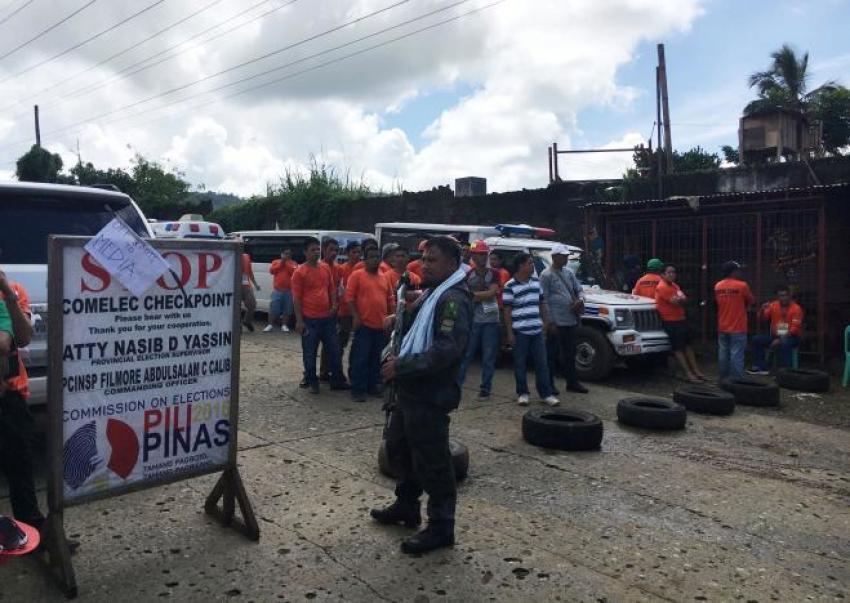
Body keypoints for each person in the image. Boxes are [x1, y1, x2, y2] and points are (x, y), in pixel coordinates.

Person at [371, 236, 472, 555]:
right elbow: (420, 330)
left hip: (431, 392)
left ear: (452, 265)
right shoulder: (432, 293)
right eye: (424, 259)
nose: (423, 264)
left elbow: (446, 349)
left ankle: (442, 527)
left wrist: (402, 365)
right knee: (400, 448)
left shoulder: (453, 299)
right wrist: (404, 313)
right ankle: (406, 505)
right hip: (410, 391)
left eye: (432, 260)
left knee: (434, 462)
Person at [0, 271, 45, 537]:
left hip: (12, 396)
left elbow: (23, 337)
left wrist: (7, 292)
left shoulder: (14, 290)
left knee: (21, 468)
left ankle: (31, 531)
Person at [291, 237, 349, 394]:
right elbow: (296, 298)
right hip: (310, 320)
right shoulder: (299, 272)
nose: (316, 252)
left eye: (317, 249)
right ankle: (312, 381)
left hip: (327, 319)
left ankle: (336, 380)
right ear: (305, 252)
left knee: (335, 351)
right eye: (313, 250)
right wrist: (299, 321)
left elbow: (331, 289)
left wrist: (335, 305)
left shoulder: (325, 268)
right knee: (310, 353)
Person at [503, 253, 559, 407]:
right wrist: (509, 332)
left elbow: (541, 304)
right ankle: (523, 393)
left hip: (536, 330)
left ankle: (546, 394)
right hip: (520, 331)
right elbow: (507, 310)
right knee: (520, 363)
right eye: (529, 263)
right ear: (521, 266)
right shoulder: (510, 286)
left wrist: (546, 322)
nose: (532, 265)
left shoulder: (536, 283)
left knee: (542, 364)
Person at [346, 244, 394, 403]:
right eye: (372, 257)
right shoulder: (357, 275)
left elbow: (389, 299)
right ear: (365, 259)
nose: (375, 260)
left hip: (380, 326)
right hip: (364, 325)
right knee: (360, 359)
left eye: (377, 257)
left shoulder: (384, 276)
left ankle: (372, 386)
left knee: (376, 359)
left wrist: (391, 318)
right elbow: (350, 298)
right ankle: (357, 389)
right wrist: (356, 316)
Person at [541, 244, 589, 395]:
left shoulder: (568, 273)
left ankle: (572, 382)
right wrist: (550, 321)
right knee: (551, 354)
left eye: (567, 256)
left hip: (571, 319)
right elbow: (544, 300)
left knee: (570, 352)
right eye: (563, 256)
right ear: (555, 257)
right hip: (556, 321)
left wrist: (581, 300)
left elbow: (579, 290)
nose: (566, 258)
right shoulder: (546, 275)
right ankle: (549, 384)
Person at [457, 240, 502, 399]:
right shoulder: (468, 274)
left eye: (484, 254)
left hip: (491, 320)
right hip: (473, 320)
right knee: (467, 355)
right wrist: (481, 295)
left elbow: (491, 293)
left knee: (488, 356)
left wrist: (474, 296)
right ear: (473, 255)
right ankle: (457, 386)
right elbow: (467, 295)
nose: (481, 257)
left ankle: (486, 389)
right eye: (478, 254)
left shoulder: (494, 273)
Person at [655, 264, 706, 382]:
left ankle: (696, 371)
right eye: (669, 272)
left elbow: (683, 299)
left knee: (688, 346)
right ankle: (688, 373)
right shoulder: (662, 287)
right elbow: (676, 301)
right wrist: (681, 300)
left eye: (674, 272)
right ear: (662, 275)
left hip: (680, 319)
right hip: (670, 321)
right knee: (678, 348)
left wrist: (681, 300)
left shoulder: (675, 286)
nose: (672, 275)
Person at [749, 285, 804, 375]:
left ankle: (785, 372)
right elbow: (762, 319)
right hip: (775, 336)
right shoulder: (773, 305)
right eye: (780, 296)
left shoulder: (796, 309)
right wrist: (762, 310)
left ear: (789, 296)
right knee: (757, 339)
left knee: (785, 343)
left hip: (792, 337)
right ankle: (761, 367)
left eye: (785, 295)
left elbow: (795, 329)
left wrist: (780, 339)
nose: (783, 298)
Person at [714, 261, 755, 380]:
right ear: (733, 272)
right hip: (738, 325)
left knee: (723, 353)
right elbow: (751, 300)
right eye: (738, 270)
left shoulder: (718, 286)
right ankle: (736, 381)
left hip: (722, 325)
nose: (740, 272)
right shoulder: (742, 285)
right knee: (736, 354)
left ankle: (723, 378)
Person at [318, 238, 346, 384]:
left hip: (333, 312)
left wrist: (336, 307)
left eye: (336, 250)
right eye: (331, 250)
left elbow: (339, 290)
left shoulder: (338, 269)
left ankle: (327, 372)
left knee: (332, 345)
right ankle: (309, 375)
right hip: (316, 312)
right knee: (312, 346)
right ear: (323, 249)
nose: (334, 253)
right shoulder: (317, 267)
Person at [335, 240, 363, 369]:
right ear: (347, 253)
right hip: (345, 312)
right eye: (354, 252)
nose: (357, 255)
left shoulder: (364, 269)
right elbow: (338, 290)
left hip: (361, 312)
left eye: (359, 252)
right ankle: (334, 371)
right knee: (340, 342)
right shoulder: (341, 269)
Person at [265, 248, 297, 332]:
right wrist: (282, 262)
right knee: (273, 308)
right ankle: (270, 325)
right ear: (281, 254)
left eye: (289, 254)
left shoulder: (293, 263)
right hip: (277, 290)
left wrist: (285, 263)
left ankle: (284, 325)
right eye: (285, 253)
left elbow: (294, 272)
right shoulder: (275, 262)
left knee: (287, 309)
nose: (287, 255)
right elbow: (272, 271)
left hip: (289, 290)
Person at [240, 246, 260, 331]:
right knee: (236, 307)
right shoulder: (231, 256)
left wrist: (255, 284)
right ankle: (238, 326)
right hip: (235, 285)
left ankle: (247, 321)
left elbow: (250, 271)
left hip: (246, 284)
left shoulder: (246, 256)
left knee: (252, 304)